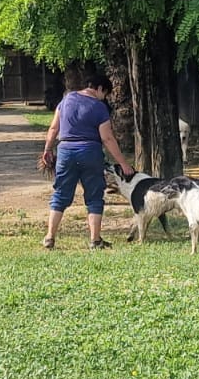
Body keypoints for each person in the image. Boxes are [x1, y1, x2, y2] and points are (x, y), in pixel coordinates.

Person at [39, 65, 134, 249]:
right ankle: (95, 240)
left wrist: (48, 149)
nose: (104, 98)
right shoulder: (99, 107)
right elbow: (107, 138)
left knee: (60, 194)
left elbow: (54, 128)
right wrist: (123, 163)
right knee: (94, 196)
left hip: (65, 150)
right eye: (105, 94)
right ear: (100, 88)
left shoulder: (66, 100)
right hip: (90, 152)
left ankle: (50, 237)